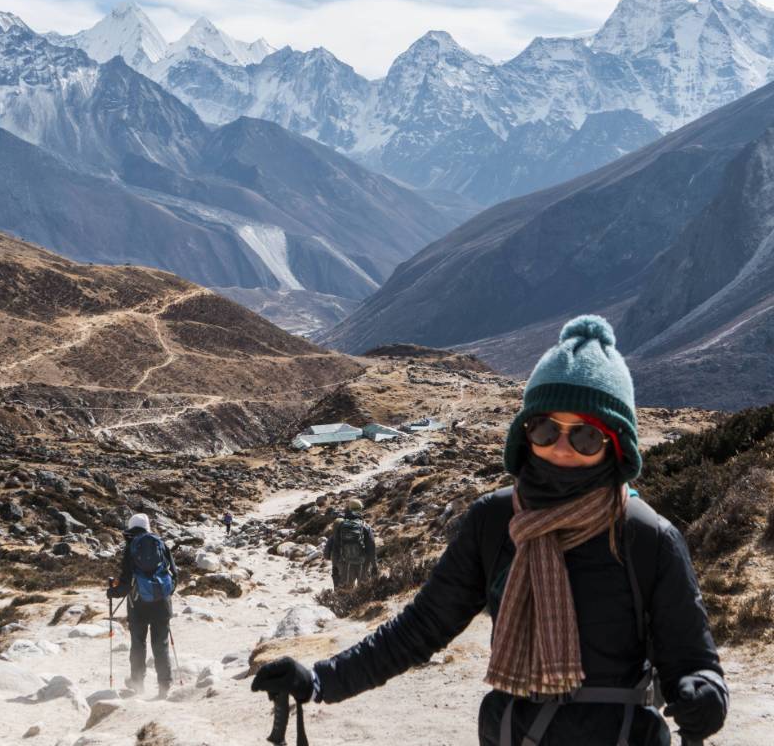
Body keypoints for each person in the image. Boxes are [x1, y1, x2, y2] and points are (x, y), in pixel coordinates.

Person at [252, 315, 728, 745]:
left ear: (616, 446)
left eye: (585, 434)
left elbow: (694, 661)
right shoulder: (495, 521)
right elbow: (421, 628)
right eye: (545, 429)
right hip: (514, 735)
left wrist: (703, 696)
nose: (562, 447)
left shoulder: (646, 537)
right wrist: (319, 680)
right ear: (525, 434)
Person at [107, 512, 178, 698]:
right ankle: (164, 686)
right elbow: (175, 577)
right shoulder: (161, 544)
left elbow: (124, 584)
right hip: (162, 605)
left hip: (138, 606)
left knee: (138, 645)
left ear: (131, 528)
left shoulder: (131, 548)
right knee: (160, 645)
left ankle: (137, 684)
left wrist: (111, 592)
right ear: (147, 527)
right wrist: (164, 593)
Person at [323, 499, 377, 590]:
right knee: (364, 591)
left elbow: (335, 547)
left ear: (348, 509)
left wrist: (334, 567)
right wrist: (374, 566)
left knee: (345, 591)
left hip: (345, 563)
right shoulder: (365, 526)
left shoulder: (341, 525)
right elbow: (372, 548)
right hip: (362, 563)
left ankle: (345, 603)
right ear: (360, 510)